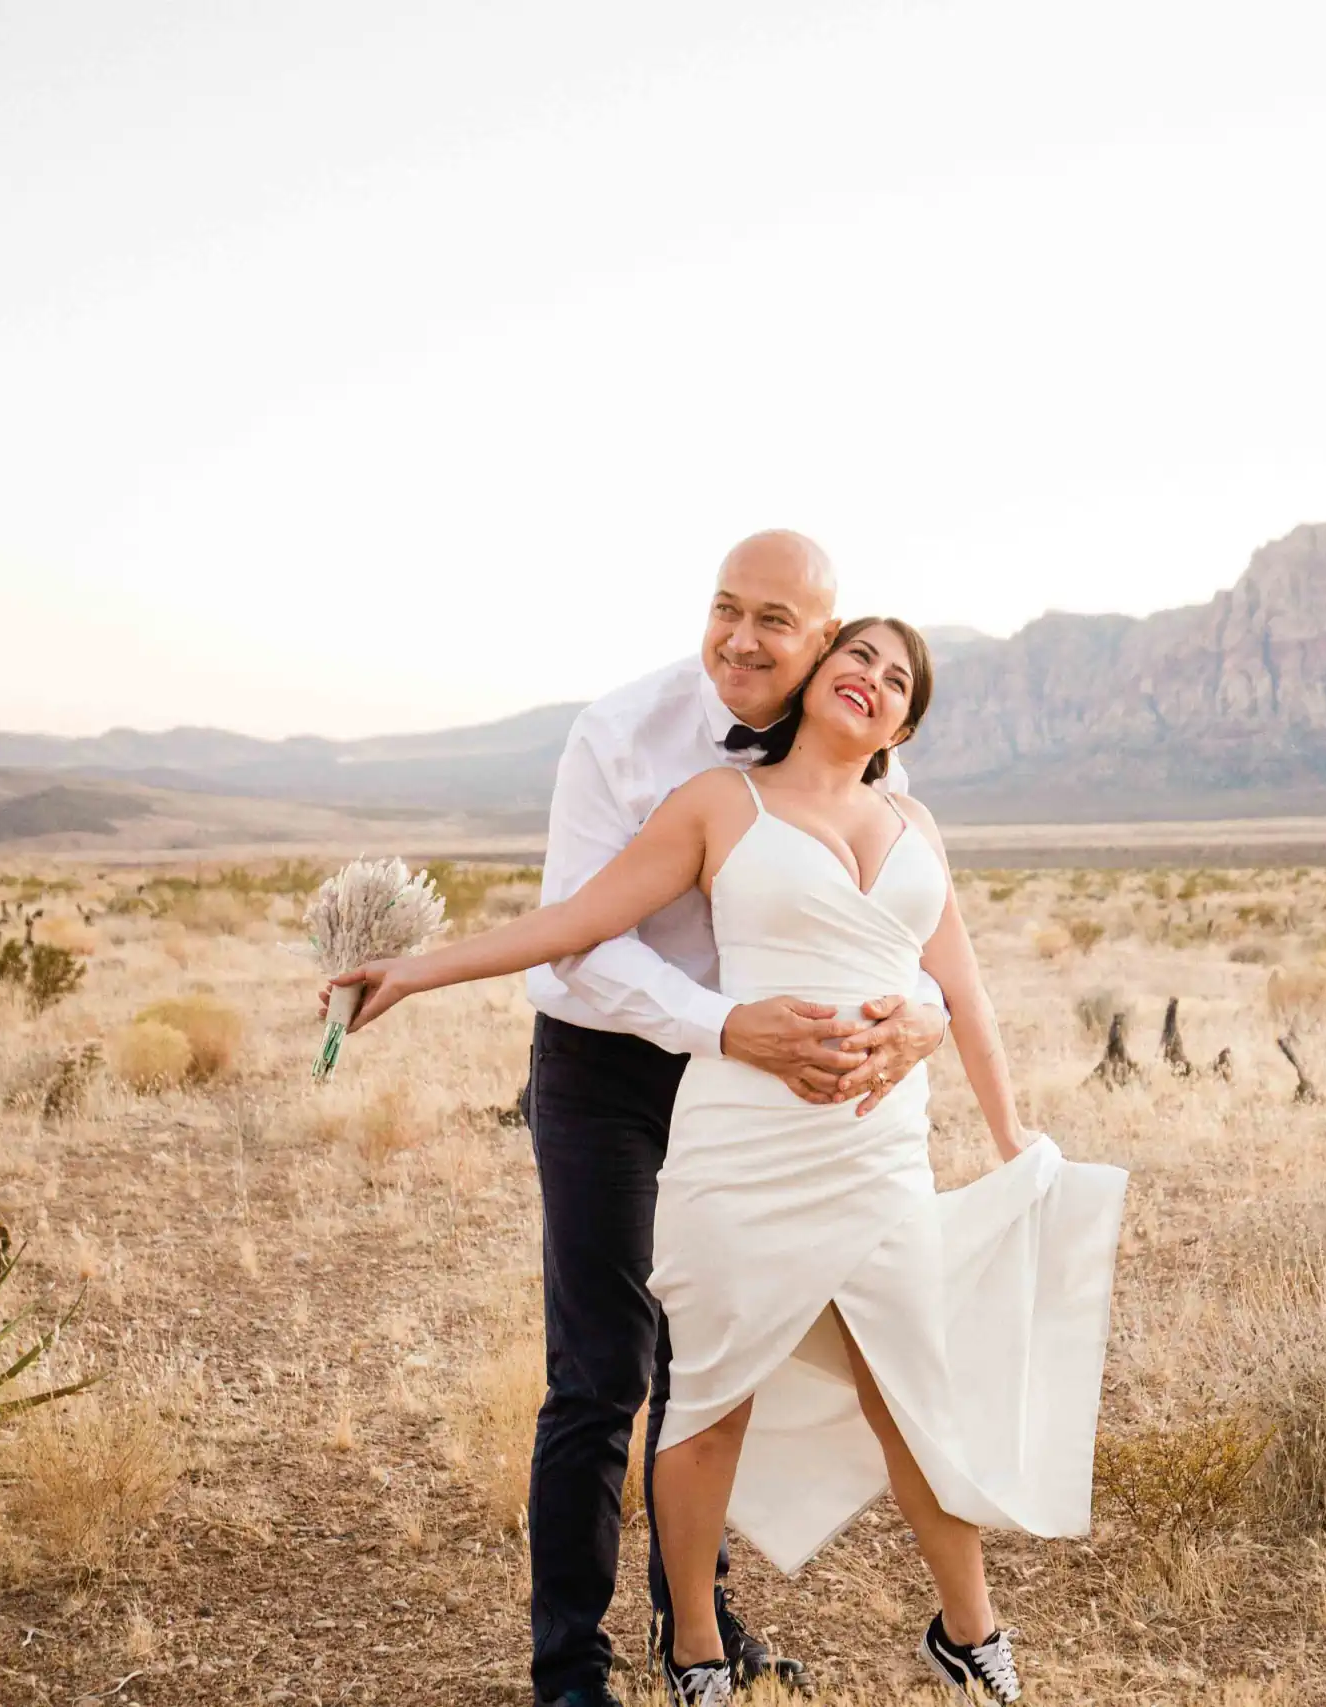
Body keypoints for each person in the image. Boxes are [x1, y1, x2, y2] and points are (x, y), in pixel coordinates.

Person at [328, 616, 1126, 1707]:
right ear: (816, 671)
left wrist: (1009, 1131)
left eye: (898, 680)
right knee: (709, 1399)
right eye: (858, 657)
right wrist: (416, 972)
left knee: (913, 1394)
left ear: (902, 725)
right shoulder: (717, 802)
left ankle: (969, 1633)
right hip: (741, 1142)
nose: (873, 679)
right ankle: (697, 1652)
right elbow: (576, 923)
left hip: (877, 1152)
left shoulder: (914, 821)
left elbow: (961, 986)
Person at [467, 531, 952, 1707]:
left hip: (749, 1085)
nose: (738, 639)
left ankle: (697, 1634)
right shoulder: (620, 734)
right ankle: (568, 1672)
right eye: (725, 608)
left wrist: (924, 1018)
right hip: (607, 1062)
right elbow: (578, 943)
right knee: (601, 1369)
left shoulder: (849, 749)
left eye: (773, 621)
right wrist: (725, 1026)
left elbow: (901, 923)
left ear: (824, 642)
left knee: (713, 1358)